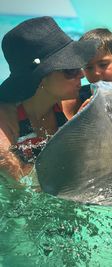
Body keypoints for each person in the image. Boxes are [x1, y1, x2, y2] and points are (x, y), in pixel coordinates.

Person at [0, 16, 99, 180]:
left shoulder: (77, 105)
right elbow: (21, 190)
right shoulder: (7, 120)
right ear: (41, 78)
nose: (81, 74)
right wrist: (74, 135)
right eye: (70, 69)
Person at [62, 28, 112, 117]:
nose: (96, 73)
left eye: (103, 65)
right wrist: (81, 118)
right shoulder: (77, 99)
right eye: (89, 67)